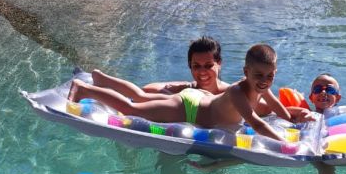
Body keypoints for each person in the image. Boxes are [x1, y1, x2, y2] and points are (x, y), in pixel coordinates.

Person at [68, 43, 297, 141]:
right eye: (259, 75)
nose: (265, 81)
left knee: (140, 97)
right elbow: (256, 123)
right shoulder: (238, 91)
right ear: (246, 72)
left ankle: (100, 79)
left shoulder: (261, 86)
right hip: (190, 108)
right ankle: (84, 88)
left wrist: (293, 122)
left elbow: (277, 108)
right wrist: (289, 146)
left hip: (201, 99)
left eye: (270, 76)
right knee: (131, 108)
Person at [85, 36, 228, 102]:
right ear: (189, 65)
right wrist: (169, 94)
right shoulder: (188, 89)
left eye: (208, 66)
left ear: (219, 63)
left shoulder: (231, 93)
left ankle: (102, 81)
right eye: (196, 66)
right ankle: (101, 82)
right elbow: (146, 90)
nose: (202, 71)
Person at [288, 74, 346, 174]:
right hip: (313, 148)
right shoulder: (307, 114)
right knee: (324, 165)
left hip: (335, 145)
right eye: (318, 90)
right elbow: (280, 111)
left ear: (338, 98)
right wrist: (299, 112)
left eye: (329, 90)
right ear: (311, 98)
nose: (323, 93)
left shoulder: (343, 116)